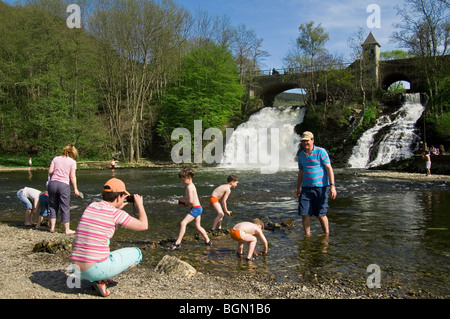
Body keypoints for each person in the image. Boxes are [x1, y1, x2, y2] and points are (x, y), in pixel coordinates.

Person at [70, 178, 148, 297]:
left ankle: (99, 277)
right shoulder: (115, 213)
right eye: (123, 196)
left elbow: (103, 220)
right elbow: (144, 225)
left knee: (103, 243)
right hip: (92, 269)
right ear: (118, 197)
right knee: (137, 254)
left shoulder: (91, 206)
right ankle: (101, 280)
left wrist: (117, 208)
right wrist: (140, 205)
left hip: (76, 268)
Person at [296, 131, 337, 236]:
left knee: (321, 214)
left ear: (312, 140)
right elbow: (301, 172)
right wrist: (298, 187)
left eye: (307, 140)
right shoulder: (301, 156)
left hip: (321, 188)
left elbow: (329, 168)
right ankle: (307, 236)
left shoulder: (321, 152)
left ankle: (326, 234)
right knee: (305, 214)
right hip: (305, 189)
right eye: (304, 141)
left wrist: (332, 186)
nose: (305, 143)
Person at [168, 168, 211, 250]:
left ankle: (178, 243)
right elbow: (191, 200)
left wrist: (181, 200)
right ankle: (208, 240)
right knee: (198, 226)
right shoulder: (191, 186)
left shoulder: (189, 187)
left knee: (183, 223)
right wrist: (185, 203)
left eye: (184, 180)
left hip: (196, 209)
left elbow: (190, 200)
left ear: (189, 178)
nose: (182, 182)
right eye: (181, 180)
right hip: (198, 208)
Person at [48, 144, 80, 234]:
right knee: (65, 207)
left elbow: (50, 171)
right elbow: (72, 176)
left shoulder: (55, 158)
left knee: (53, 206)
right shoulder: (72, 162)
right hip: (64, 185)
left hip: (53, 183)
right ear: (73, 153)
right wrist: (75, 189)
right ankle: (67, 229)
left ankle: (52, 227)